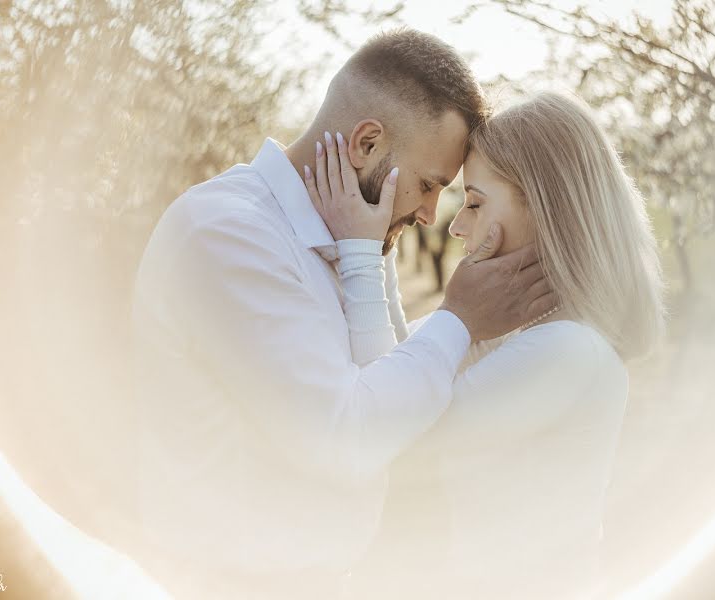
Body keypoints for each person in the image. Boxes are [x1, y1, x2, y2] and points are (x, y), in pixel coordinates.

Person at [128, 29, 556, 599]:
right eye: (429, 186)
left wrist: (480, 325)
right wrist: (459, 321)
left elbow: (389, 375)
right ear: (366, 144)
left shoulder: (351, 235)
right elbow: (348, 436)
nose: (431, 214)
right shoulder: (228, 234)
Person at [305, 91, 665, 599]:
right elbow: (400, 371)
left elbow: (390, 432)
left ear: (545, 206)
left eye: (474, 203)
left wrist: (362, 255)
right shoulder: (524, 333)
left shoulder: (568, 350)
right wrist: (379, 240)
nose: (456, 225)